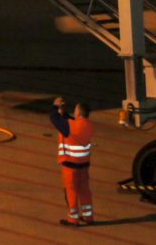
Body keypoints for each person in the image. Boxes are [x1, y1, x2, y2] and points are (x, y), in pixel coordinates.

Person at [50, 97, 94, 226]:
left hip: (70, 165)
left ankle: (73, 218)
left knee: (71, 190)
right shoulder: (89, 126)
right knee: (84, 190)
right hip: (84, 165)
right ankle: (88, 217)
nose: (74, 111)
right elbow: (71, 123)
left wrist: (55, 106)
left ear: (79, 112)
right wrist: (63, 113)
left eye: (75, 109)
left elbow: (55, 119)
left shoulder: (71, 126)